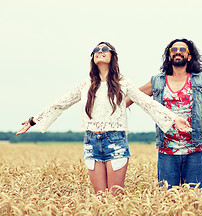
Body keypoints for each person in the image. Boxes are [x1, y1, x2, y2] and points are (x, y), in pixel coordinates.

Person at [16, 42, 192, 196]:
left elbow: (147, 102)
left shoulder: (124, 84)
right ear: (92, 58)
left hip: (115, 142)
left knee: (114, 199)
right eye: (96, 50)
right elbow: (61, 103)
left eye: (104, 49)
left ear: (112, 56)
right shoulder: (86, 85)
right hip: (91, 142)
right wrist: (33, 120)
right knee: (100, 200)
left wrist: (174, 118)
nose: (100, 51)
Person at [127, 38, 202, 188]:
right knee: (167, 199)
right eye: (174, 50)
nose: (178, 52)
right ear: (169, 55)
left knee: (194, 199)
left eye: (182, 50)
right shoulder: (157, 81)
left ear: (189, 56)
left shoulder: (200, 80)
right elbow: (132, 97)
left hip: (194, 150)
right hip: (167, 151)